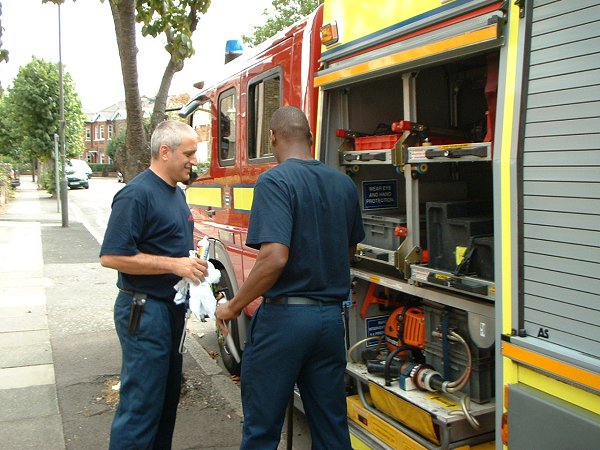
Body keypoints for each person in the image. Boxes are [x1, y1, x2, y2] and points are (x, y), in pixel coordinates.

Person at [216, 106, 365, 450]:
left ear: (272, 138)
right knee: (330, 428)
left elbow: (274, 257)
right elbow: (348, 251)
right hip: (329, 321)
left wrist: (234, 306)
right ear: (310, 138)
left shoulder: (275, 180)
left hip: (285, 320)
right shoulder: (343, 184)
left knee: (262, 430)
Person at [100, 120, 208, 450]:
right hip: (144, 313)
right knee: (142, 407)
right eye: (189, 153)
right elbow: (112, 256)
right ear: (165, 152)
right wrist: (174, 265)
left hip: (168, 312)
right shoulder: (136, 195)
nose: (195, 160)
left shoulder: (175, 193)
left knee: (165, 401)